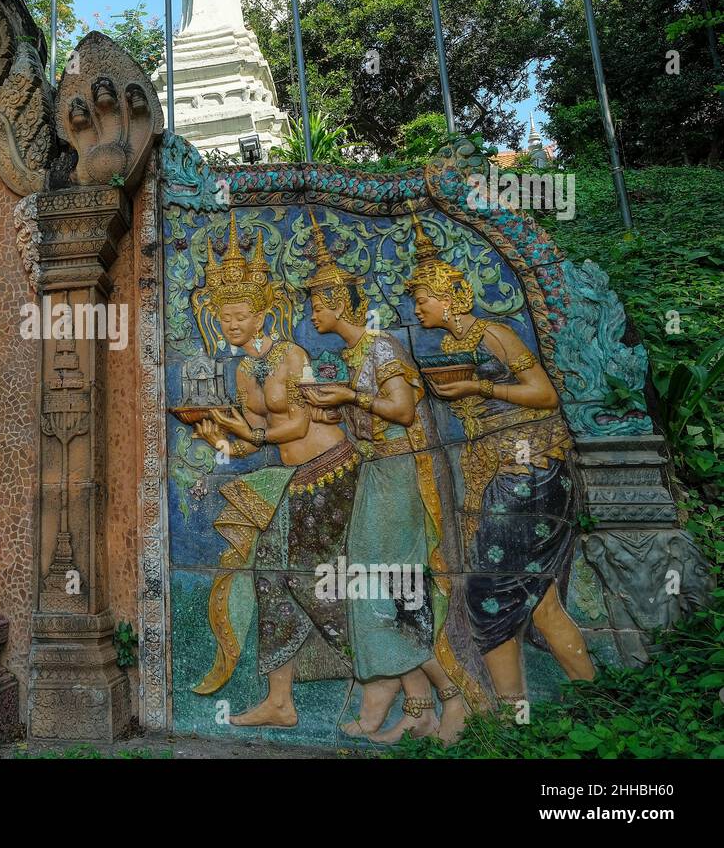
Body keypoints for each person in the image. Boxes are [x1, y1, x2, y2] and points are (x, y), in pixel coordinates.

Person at [300, 213, 485, 743]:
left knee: (393, 586)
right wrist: (327, 407)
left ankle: (451, 697)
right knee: (374, 588)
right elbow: (363, 415)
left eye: (318, 301)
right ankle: (418, 706)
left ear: (339, 302)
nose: (312, 311)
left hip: (401, 472)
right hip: (376, 473)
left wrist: (348, 397)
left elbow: (401, 411)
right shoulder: (352, 354)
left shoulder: (381, 348)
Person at [403, 216, 594, 703]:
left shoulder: (493, 334)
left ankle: (515, 717)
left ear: (448, 298)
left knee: (490, 595)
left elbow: (544, 394)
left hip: (529, 472)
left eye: (422, 299)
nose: (417, 308)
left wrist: (479, 386)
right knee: (537, 598)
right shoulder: (452, 346)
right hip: (501, 472)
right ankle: (582, 702)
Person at [188, 211, 361, 728]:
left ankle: (381, 668)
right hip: (292, 478)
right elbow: (251, 444)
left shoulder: (293, 354)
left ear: (262, 315)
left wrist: (251, 434)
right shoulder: (243, 370)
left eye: (240, 315)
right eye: (224, 318)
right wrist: (218, 437)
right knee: (268, 575)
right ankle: (280, 701)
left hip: (330, 471)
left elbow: (300, 424)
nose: (231, 325)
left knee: (311, 578)